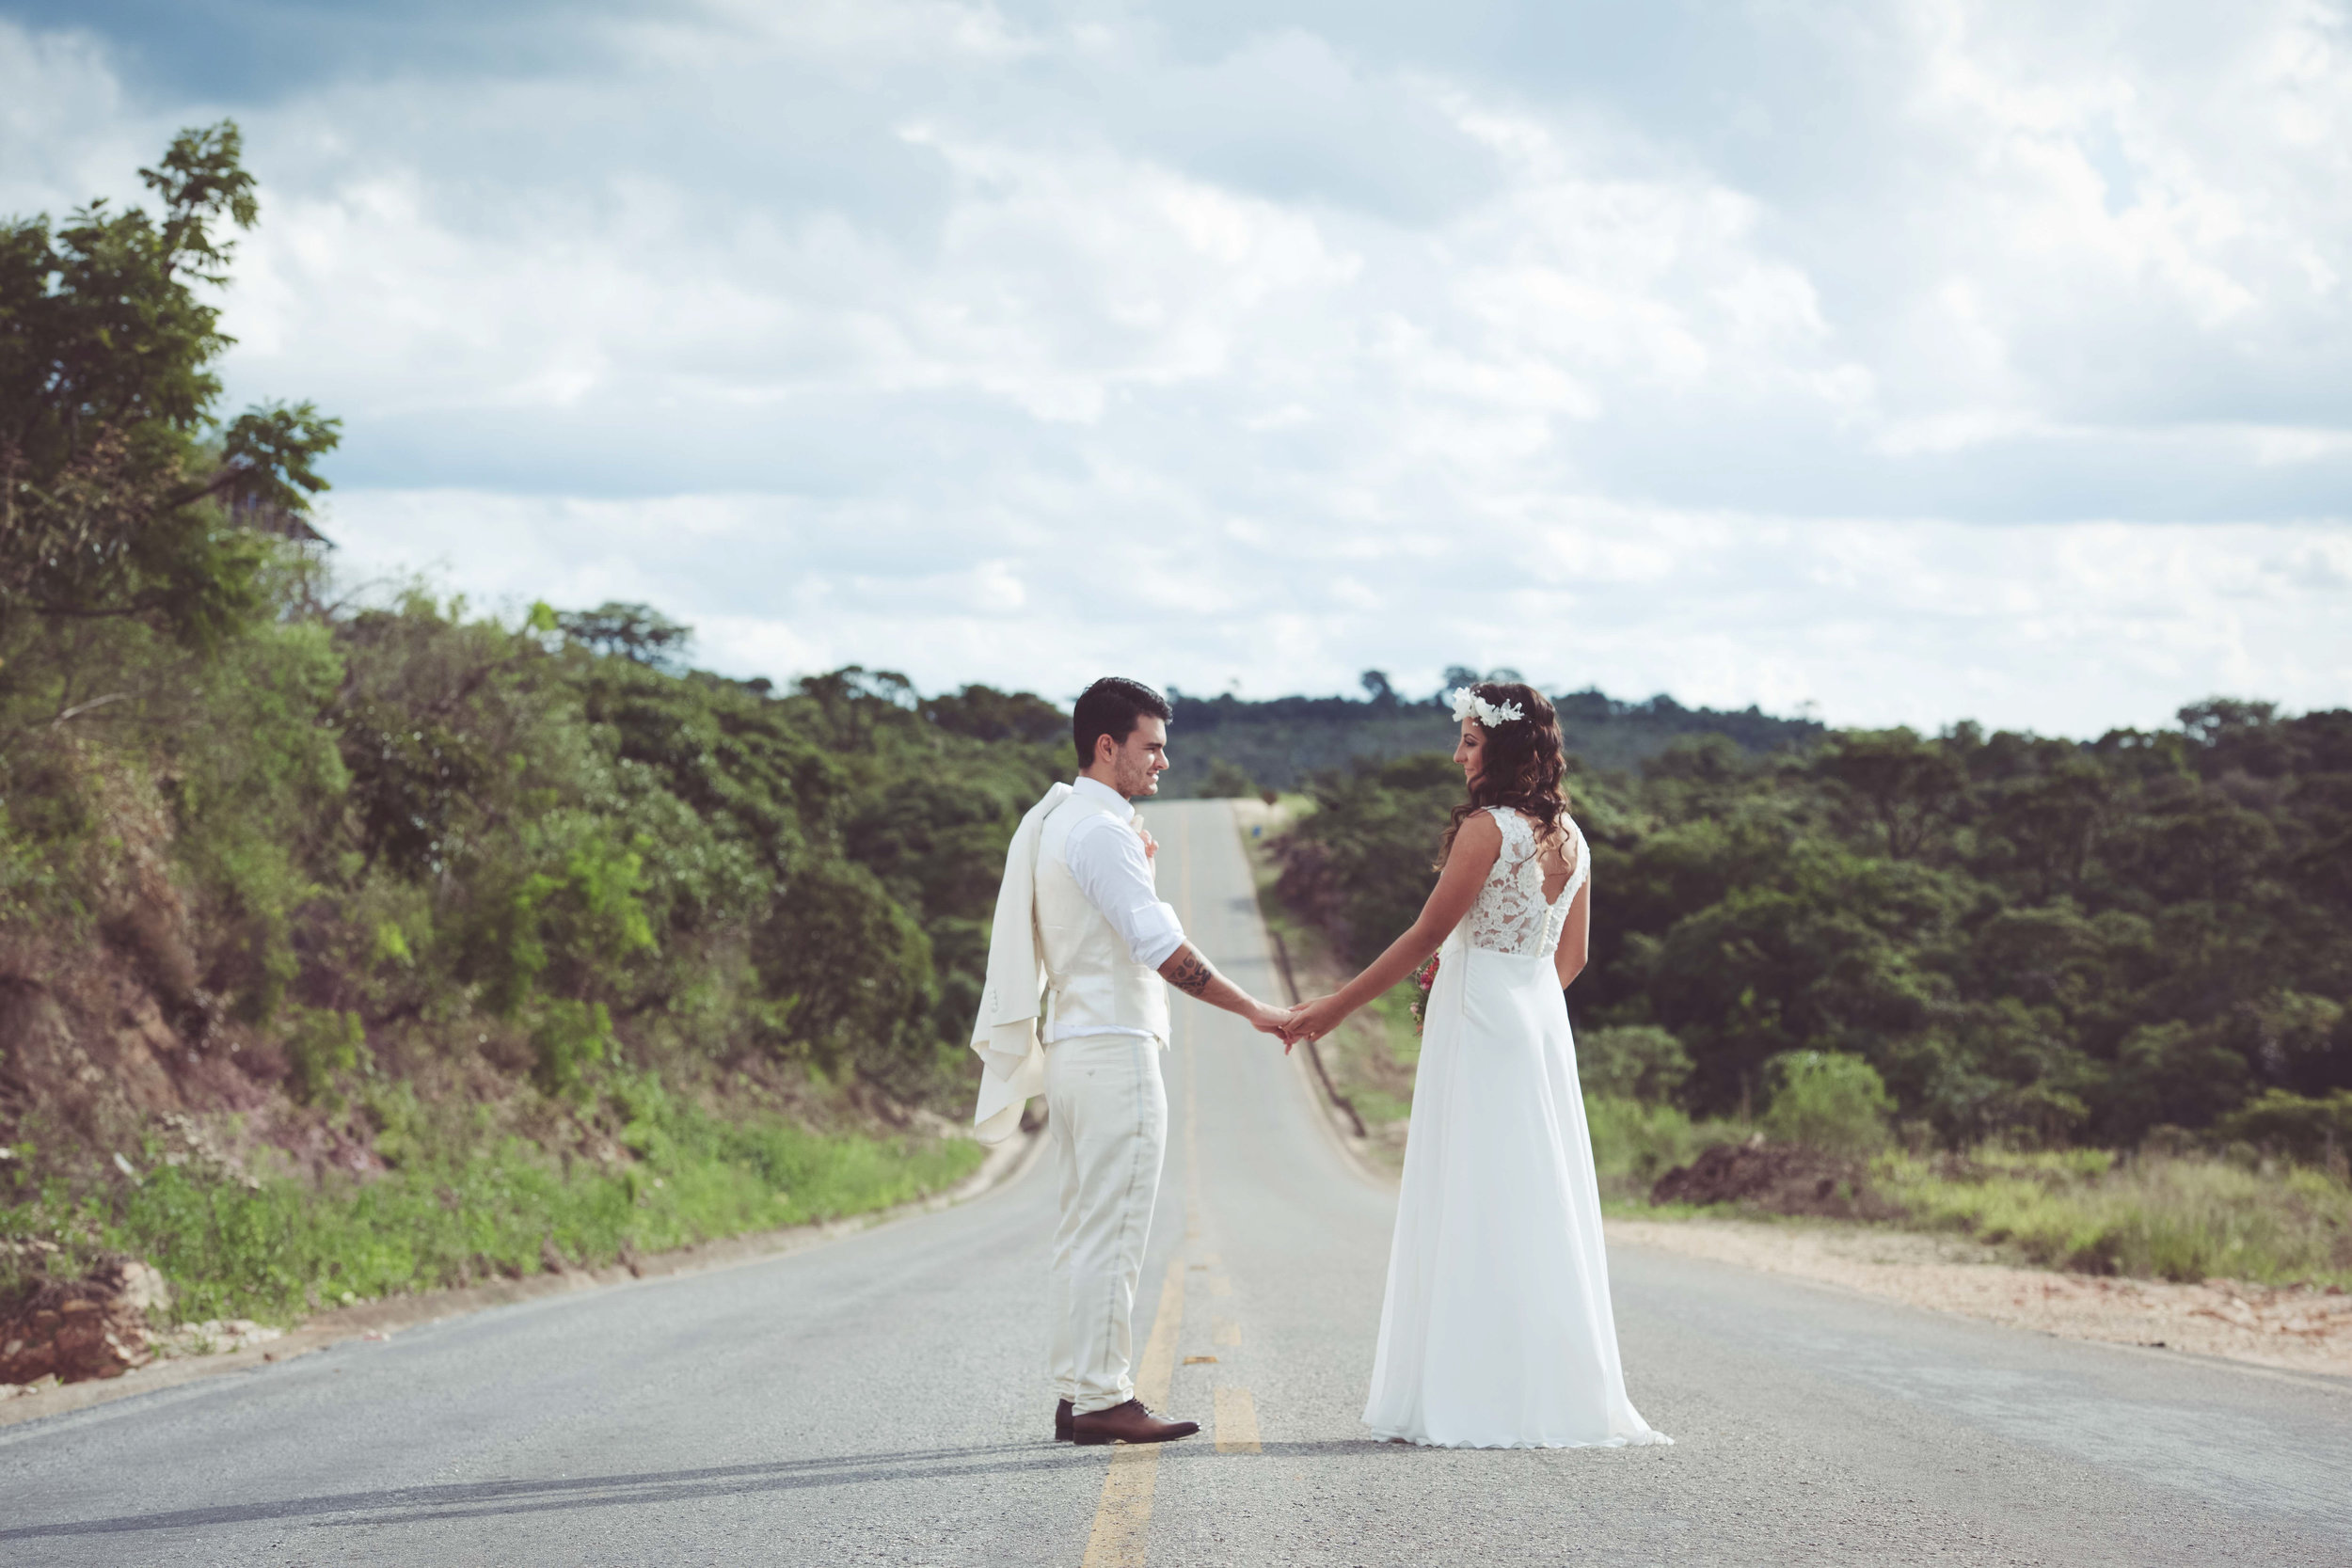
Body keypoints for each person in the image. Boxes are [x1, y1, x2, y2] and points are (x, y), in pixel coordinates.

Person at [1282, 682, 1672, 1449]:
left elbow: (1428, 933)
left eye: (1468, 739)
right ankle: (1549, 1392)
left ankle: (1470, 1395)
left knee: (1469, 1195)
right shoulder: (1572, 837)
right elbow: (1574, 957)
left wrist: (1333, 1007)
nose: (1458, 753)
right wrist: (1516, 1001)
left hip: (1482, 1022)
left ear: (1503, 746)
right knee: (1531, 1200)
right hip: (1535, 1023)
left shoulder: (1488, 829)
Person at [967, 676, 1295, 1446]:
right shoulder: (1100, 831)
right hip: (1114, 1051)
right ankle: (1102, 1396)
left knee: (1084, 1231)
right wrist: (1255, 1008)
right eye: (1151, 746)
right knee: (1111, 1233)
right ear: (1106, 746)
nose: (1164, 762)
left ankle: (1078, 1389)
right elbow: (1159, 948)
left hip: (1078, 1048)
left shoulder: (1067, 822)